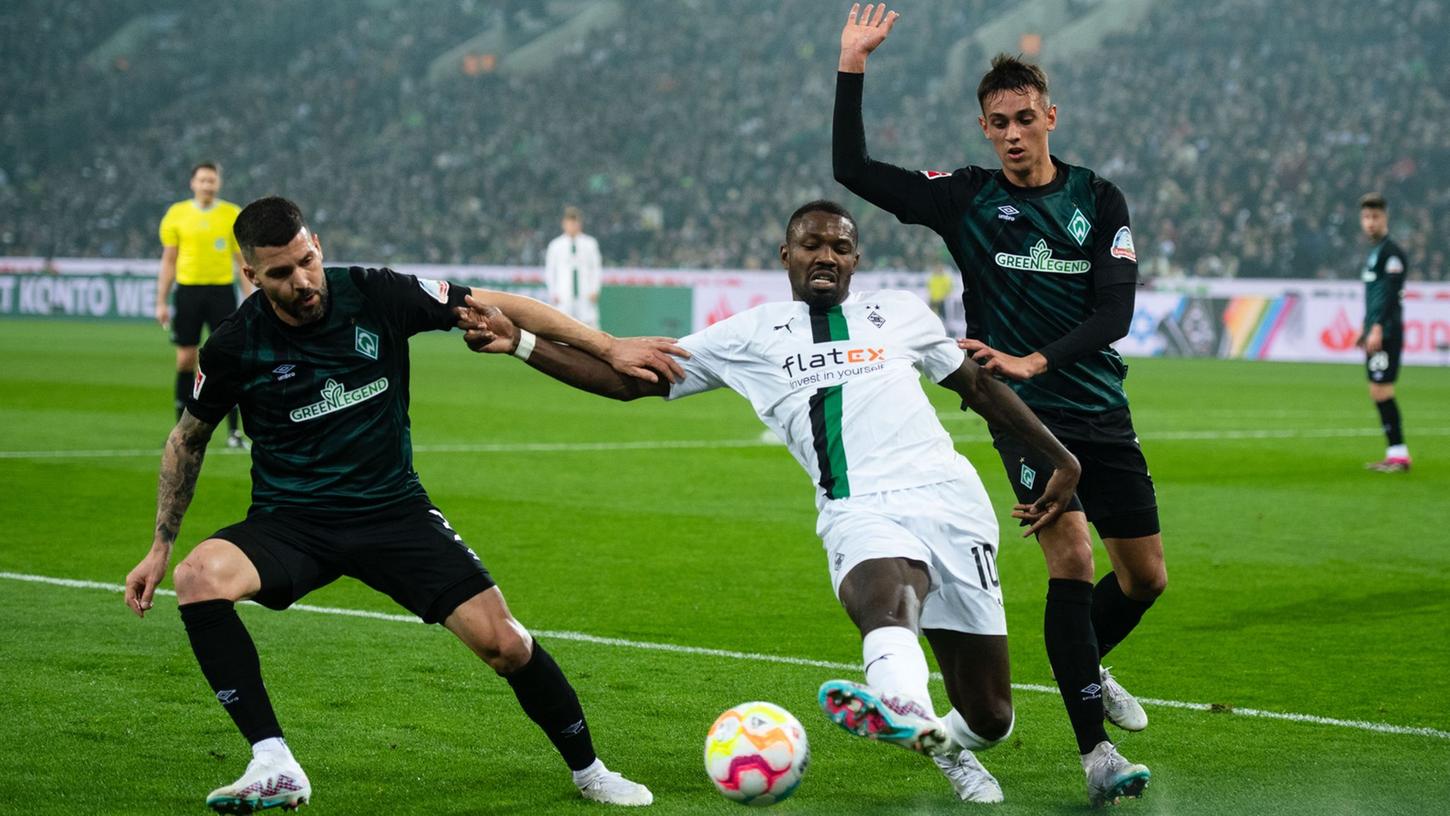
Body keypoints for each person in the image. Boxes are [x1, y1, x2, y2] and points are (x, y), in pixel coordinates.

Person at [458, 200, 1083, 804]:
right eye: (812, 244)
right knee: (889, 603)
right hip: (859, 508)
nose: (826, 256)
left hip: (953, 504)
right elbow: (632, 381)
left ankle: (947, 742)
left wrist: (1063, 458)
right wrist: (523, 343)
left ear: (856, 260)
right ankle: (908, 713)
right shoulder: (750, 334)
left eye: (840, 246)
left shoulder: (902, 314)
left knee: (993, 716)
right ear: (787, 255)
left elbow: (976, 385)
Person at [122, 197, 678, 813]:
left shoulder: (374, 293)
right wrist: (160, 545)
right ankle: (273, 761)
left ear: (318, 246)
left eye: (307, 261)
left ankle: (591, 771)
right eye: (280, 273)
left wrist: (607, 346)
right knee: (198, 577)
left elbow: (497, 304)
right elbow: (187, 440)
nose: (302, 281)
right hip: (292, 522)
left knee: (507, 644)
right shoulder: (233, 344)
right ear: (251, 276)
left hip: (393, 512)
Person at [831, 4, 1162, 806]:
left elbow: (1115, 314)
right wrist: (852, 65)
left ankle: (1088, 664)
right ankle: (1097, 758)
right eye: (997, 123)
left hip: (1100, 409)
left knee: (1145, 578)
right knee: (1072, 560)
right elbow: (855, 170)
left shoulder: (1099, 199)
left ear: (1050, 116)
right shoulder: (966, 199)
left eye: (1024, 119)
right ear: (983, 129)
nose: (1013, 133)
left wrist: (1037, 355)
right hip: (1025, 419)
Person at [156, 162, 252, 448]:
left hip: (221, 293)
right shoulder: (177, 214)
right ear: (193, 183)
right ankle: (181, 432)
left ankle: (234, 433)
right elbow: (169, 260)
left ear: (218, 183)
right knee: (185, 359)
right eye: (202, 180)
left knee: (229, 360)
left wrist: (251, 297)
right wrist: (161, 300)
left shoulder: (231, 214)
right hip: (188, 293)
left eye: (212, 180)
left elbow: (242, 261)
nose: (207, 185)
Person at [1355, 193, 1411, 472]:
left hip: (1387, 333)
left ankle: (1399, 456)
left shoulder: (1391, 254)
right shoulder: (1376, 253)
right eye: (1366, 217)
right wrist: (1365, 328)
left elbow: (1390, 295)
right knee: (1377, 389)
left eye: (1375, 217)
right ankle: (1395, 454)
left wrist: (1376, 328)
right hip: (1377, 330)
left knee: (1381, 389)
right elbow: (1375, 297)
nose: (1370, 223)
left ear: (1385, 218)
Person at [544, 206, 603, 328]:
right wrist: (553, 292)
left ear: (579, 224)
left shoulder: (590, 244)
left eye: (574, 223)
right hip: (564, 294)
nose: (572, 226)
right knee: (563, 328)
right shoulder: (555, 245)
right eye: (569, 223)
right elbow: (550, 271)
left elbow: (596, 268)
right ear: (564, 224)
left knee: (590, 328)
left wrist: (595, 289)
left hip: (585, 293)